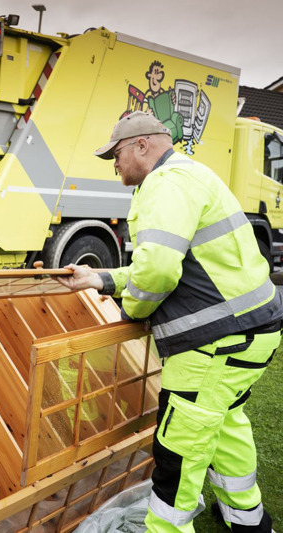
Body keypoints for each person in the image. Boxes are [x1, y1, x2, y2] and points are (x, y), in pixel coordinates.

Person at [56, 111, 281, 533]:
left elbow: (158, 274)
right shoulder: (188, 175)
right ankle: (249, 521)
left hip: (216, 344)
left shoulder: (163, 184)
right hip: (251, 332)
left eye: (116, 154)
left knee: (178, 453)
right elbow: (163, 264)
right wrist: (101, 278)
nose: (115, 164)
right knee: (225, 426)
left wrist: (132, 312)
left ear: (142, 145)